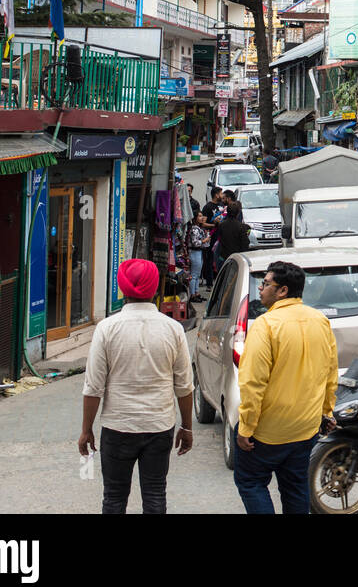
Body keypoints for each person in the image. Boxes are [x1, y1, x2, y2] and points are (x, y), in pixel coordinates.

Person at [79, 259, 194, 514]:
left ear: (123, 288)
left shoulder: (107, 328)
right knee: (155, 494)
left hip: (118, 426)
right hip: (159, 425)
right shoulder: (173, 329)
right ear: (154, 288)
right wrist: (186, 426)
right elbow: (185, 386)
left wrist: (86, 429)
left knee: (114, 497)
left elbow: (93, 387)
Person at [235, 261, 339, 514]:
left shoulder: (265, 324)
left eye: (265, 284)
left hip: (269, 430)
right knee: (295, 486)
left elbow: (252, 382)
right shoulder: (320, 321)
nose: (261, 289)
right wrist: (326, 412)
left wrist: (246, 427)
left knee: (251, 482)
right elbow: (330, 373)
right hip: (306, 427)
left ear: (282, 291)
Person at [186, 186, 209, 303]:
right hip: (195, 252)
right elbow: (195, 243)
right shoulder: (195, 229)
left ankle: (196, 293)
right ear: (195, 218)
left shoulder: (197, 228)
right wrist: (204, 240)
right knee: (194, 275)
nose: (202, 218)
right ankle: (193, 295)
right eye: (199, 216)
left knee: (196, 274)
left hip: (198, 252)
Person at [218, 199, 252, 265]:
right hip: (237, 258)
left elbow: (220, 239)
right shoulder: (241, 227)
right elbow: (245, 244)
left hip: (224, 257)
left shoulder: (221, 225)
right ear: (238, 213)